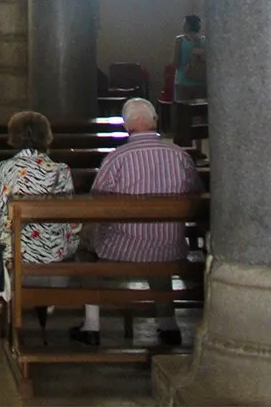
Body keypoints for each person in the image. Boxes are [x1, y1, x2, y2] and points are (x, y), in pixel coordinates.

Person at [77, 96, 202, 346]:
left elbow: (98, 201)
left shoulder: (117, 158)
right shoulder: (180, 156)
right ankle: (168, 324)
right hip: (170, 246)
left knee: (83, 244)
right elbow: (195, 193)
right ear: (155, 121)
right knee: (158, 242)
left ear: (126, 126)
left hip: (122, 248)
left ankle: (91, 325)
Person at [0, 112, 77, 312]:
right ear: (47, 136)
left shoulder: (3, 169)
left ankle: (2, 289)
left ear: (14, 136)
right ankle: (50, 296)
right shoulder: (61, 170)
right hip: (54, 254)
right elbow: (70, 215)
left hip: (17, 256)